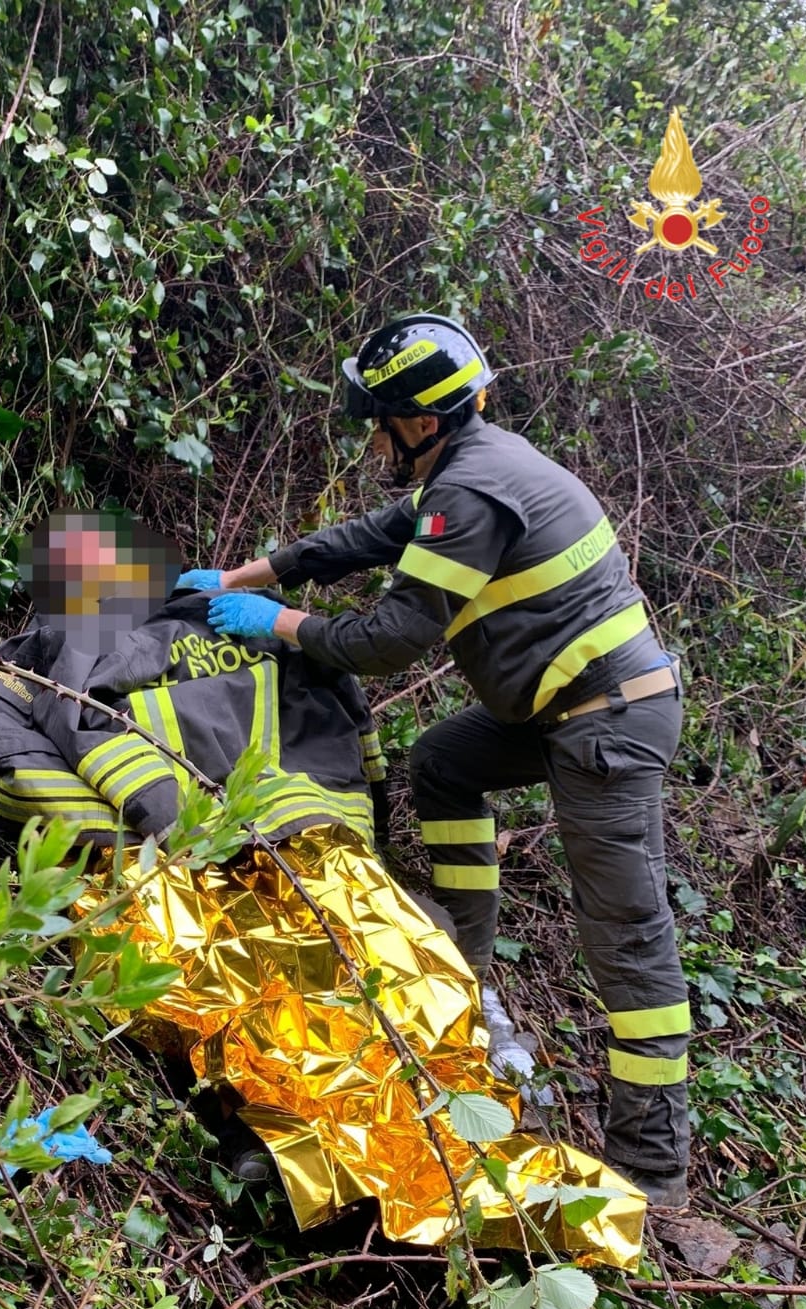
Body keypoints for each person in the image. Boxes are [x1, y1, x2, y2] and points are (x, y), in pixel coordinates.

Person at [175, 313, 691, 1209]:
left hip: (606, 727)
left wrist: (282, 626)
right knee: (446, 761)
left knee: (629, 938)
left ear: (420, 421)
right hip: (562, 708)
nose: (374, 435)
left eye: (379, 419)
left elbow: (390, 638)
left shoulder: (473, 496)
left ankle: (653, 1168)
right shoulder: (467, 467)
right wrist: (241, 580)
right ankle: (465, 959)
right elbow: (363, 538)